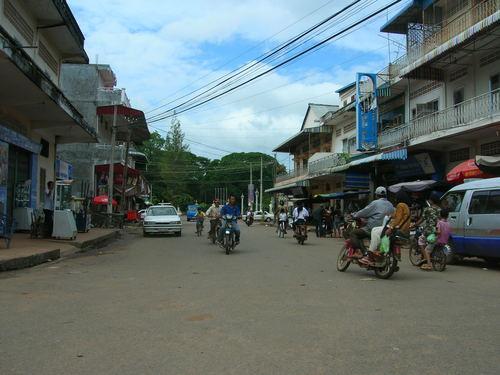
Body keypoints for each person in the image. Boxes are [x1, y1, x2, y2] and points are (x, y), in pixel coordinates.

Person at [350, 186, 394, 255]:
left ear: (376, 195)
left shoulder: (375, 203)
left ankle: (361, 252)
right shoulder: (391, 205)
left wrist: (354, 215)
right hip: (385, 229)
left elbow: (364, 212)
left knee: (353, 233)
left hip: (373, 228)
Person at [416, 192, 441, 271]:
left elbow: (422, 219)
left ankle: (427, 261)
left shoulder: (428, 209)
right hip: (438, 230)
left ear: (431, 200)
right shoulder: (440, 209)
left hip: (429, 231)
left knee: (420, 241)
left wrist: (414, 224)